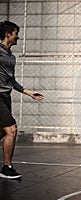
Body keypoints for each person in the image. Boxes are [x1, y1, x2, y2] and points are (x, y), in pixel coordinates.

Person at [0, 21, 44, 179]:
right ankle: (7, 167)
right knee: (11, 130)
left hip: (6, 97)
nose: (18, 37)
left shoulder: (11, 57)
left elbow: (12, 81)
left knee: (1, 133)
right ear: (7, 35)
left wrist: (29, 93)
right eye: (15, 33)